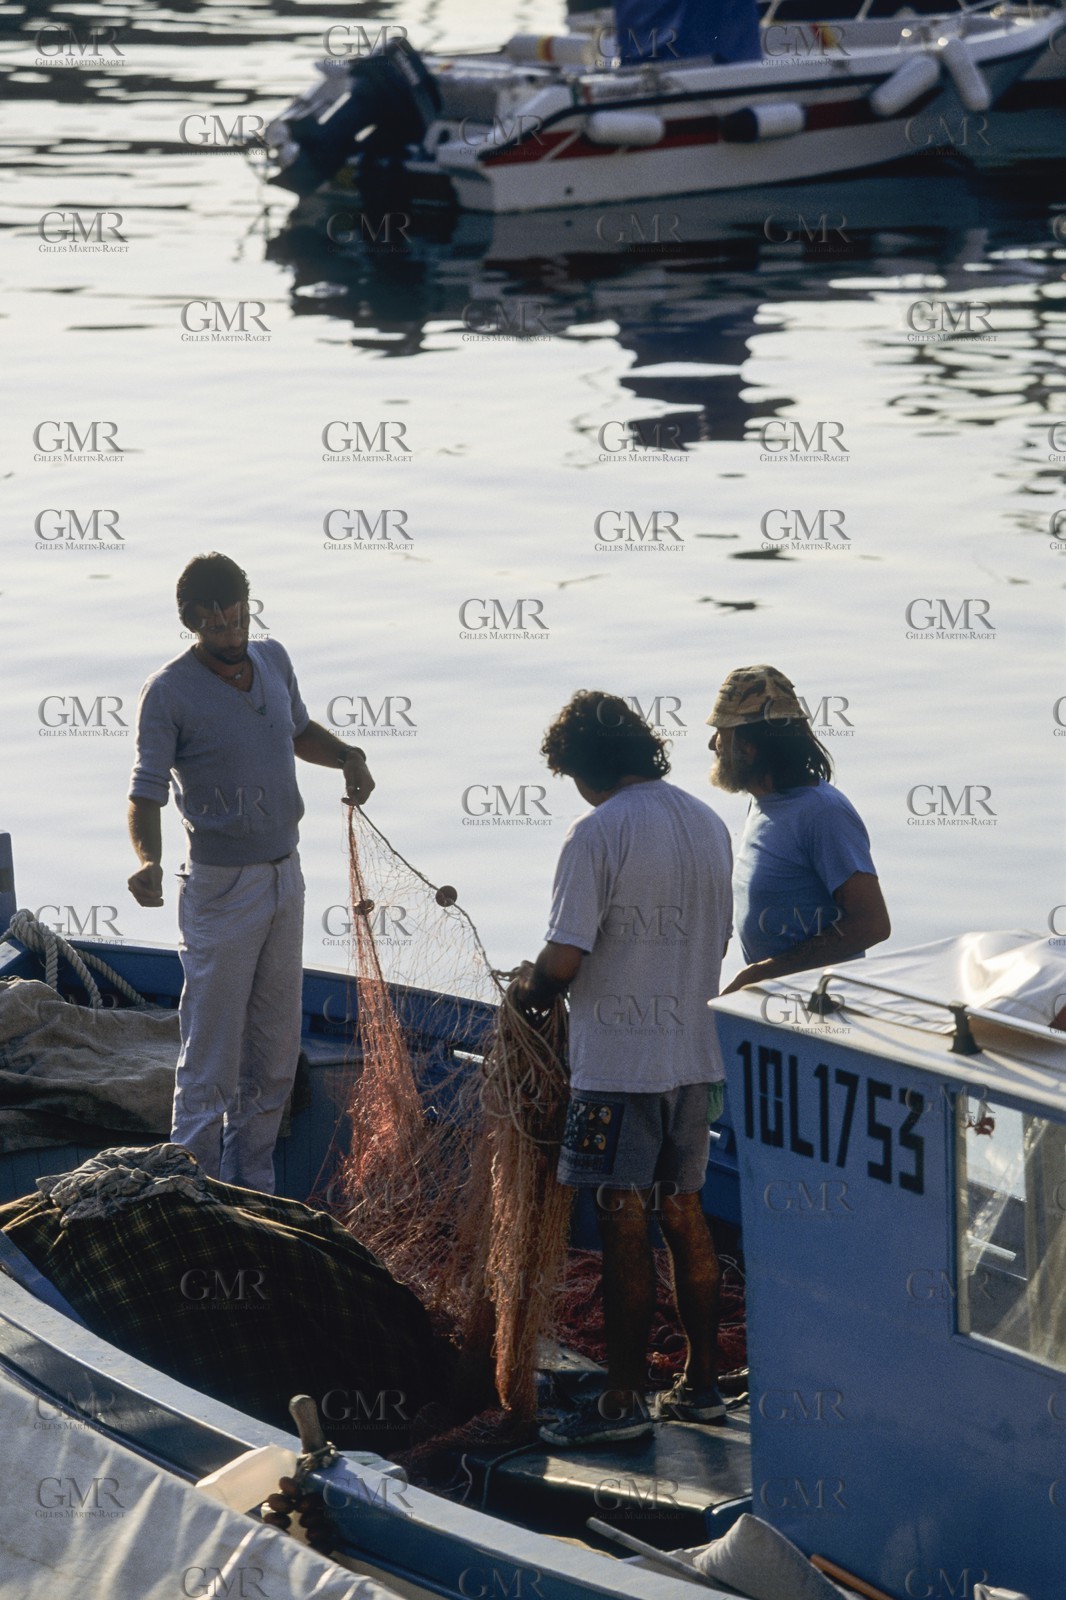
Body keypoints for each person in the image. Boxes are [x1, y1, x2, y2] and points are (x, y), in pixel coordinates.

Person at [511, 690, 733, 1448]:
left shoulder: (597, 832)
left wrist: (527, 993)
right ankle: (701, 1386)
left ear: (584, 768)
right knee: (685, 1211)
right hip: (695, 1060)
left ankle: (622, 1400)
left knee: (622, 1222)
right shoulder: (708, 823)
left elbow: (564, 958)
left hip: (618, 1067)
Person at [126, 553, 374, 1193]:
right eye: (214, 625)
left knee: (273, 1046)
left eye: (237, 617)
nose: (231, 634)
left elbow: (297, 732)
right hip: (220, 889)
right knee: (210, 1053)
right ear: (192, 623)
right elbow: (145, 793)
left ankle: (253, 1185)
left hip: (284, 877)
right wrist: (147, 861)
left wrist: (346, 754)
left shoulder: (274, 660)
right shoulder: (168, 692)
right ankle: (192, 1189)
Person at [708, 665, 889, 995]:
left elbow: (871, 923)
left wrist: (768, 972)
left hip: (822, 1013)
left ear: (748, 746)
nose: (712, 744)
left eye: (721, 732)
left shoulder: (823, 812)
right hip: (775, 1010)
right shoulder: (763, 803)